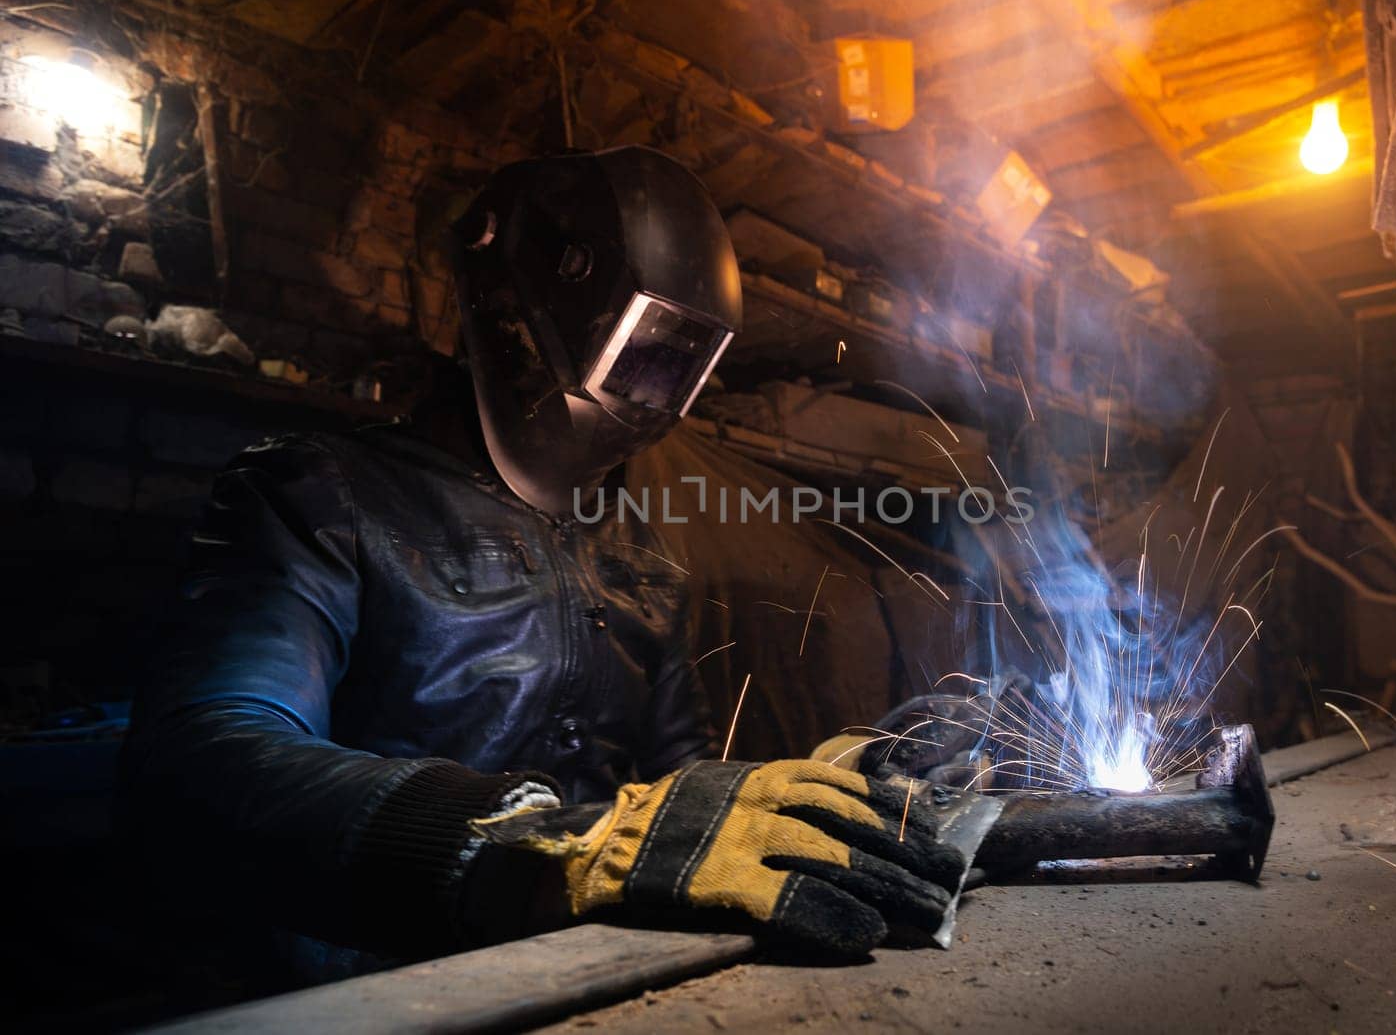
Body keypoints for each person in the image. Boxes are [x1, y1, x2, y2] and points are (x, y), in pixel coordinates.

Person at [118, 147, 961, 982]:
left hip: (579, 966)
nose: (648, 399)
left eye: (679, 365)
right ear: (517, 312)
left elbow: (683, 782)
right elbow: (205, 756)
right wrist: (523, 843)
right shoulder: (320, 497)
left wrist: (827, 781)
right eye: (638, 352)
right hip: (371, 978)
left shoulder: (640, 559)